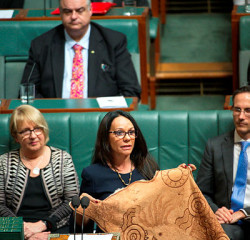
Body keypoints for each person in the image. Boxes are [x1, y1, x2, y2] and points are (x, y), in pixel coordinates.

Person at [79, 110, 195, 231]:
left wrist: (178, 179)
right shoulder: (92, 174)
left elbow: (164, 211)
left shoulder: (149, 167)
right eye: (119, 133)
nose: (127, 138)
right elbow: (82, 231)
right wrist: (82, 210)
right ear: (106, 137)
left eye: (131, 132)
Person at [21, 0, 141, 100]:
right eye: (68, 11)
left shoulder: (113, 42)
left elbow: (131, 92)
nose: (73, 17)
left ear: (90, 10)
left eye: (79, 10)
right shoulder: (41, 45)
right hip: (53, 120)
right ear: (60, 13)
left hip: (102, 119)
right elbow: (28, 93)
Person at [0, 105, 79, 240]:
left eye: (37, 128)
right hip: (15, 231)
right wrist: (21, 229)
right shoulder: (3, 162)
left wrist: (44, 225)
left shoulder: (62, 159)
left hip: (55, 229)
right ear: (16, 137)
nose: (33, 135)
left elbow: (72, 201)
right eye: (25, 131)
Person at [196, 85, 250, 240]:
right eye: (237, 110)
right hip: (227, 222)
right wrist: (216, 210)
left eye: (248, 110)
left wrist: (244, 212)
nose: (241, 116)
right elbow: (201, 192)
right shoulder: (215, 146)